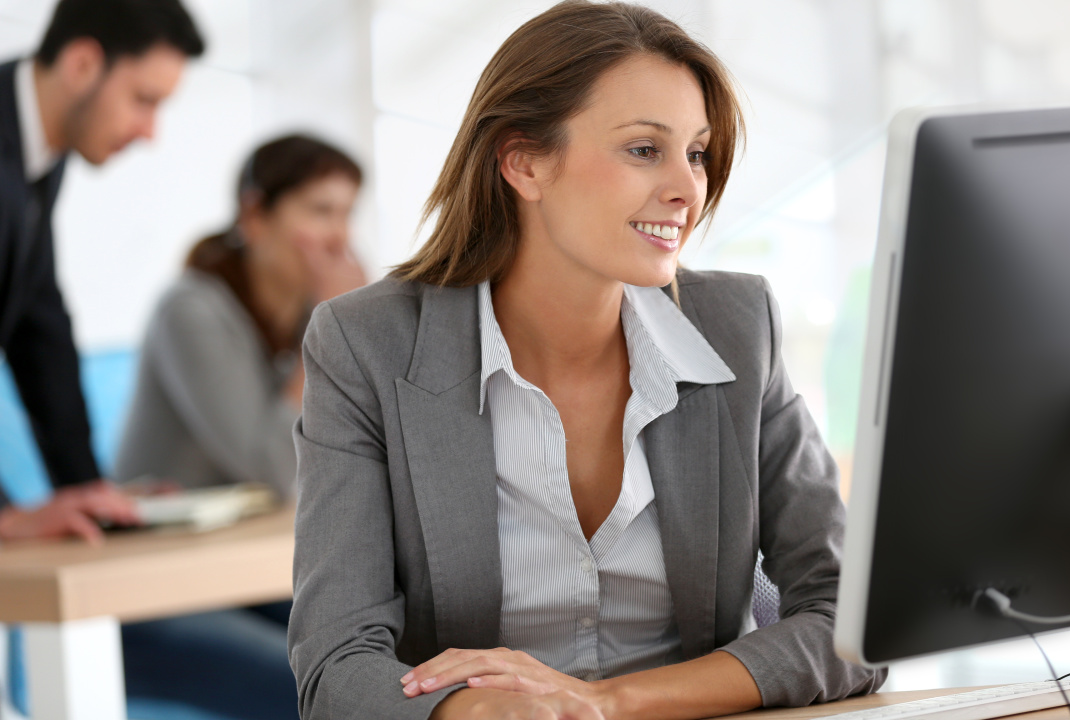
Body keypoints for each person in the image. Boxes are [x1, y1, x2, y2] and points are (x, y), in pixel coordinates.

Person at [288, 2, 887, 719]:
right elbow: (336, 667)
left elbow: (855, 626)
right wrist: (471, 711)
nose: (687, 188)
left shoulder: (738, 326)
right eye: (644, 149)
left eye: (696, 153)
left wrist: (605, 703)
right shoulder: (366, 344)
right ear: (524, 161)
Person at [0, 0, 204, 543]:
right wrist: (5, 518)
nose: (149, 131)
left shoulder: (36, 150)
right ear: (83, 63)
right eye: (144, 100)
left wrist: (88, 488)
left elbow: (38, 326)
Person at [115, 133, 367, 499]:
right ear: (254, 216)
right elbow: (275, 472)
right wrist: (331, 334)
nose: (340, 238)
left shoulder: (304, 313)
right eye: (321, 211)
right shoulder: (189, 311)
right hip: (158, 547)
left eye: (347, 214)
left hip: (254, 542)